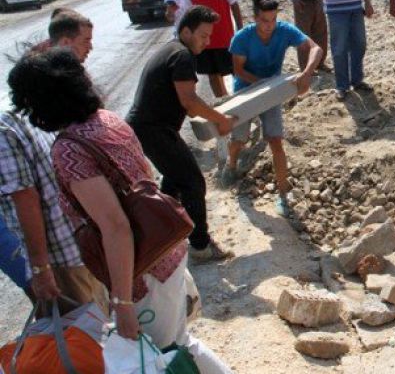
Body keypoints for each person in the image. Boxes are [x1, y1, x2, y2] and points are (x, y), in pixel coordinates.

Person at [9, 48, 232, 373]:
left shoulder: (69, 150)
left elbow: (115, 226)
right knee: (178, 344)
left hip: (144, 272)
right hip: (164, 250)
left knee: (163, 355)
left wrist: (122, 301)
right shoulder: (106, 119)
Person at [126, 6, 236, 263]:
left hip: (148, 128)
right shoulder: (182, 55)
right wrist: (221, 120)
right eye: (203, 36)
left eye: (209, 36)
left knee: (173, 181)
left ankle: (166, 236)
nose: (207, 42)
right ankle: (200, 246)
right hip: (154, 129)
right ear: (186, 31)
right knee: (193, 182)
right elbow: (190, 101)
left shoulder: (172, 49)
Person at [0, 86, 105, 314]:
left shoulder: (2, 131)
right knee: (101, 320)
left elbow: (26, 199)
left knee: (79, 330)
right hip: (81, 241)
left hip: (59, 261)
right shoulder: (16, 106)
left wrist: (40, 268)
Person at [224, 0, 322, 215]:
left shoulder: (284, 30)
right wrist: (262, 84)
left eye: (273, 20)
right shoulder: (241, 38)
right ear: (255, 18)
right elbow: (238, 70)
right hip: (246, 91)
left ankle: (283, 194)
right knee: (239, 139)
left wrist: (307, 73)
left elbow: (315, 49)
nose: (269, 25)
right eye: (264, 20)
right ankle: (231, 164)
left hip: (273, 92)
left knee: (276, 141)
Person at [297, 0, 375, 100]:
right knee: (339, 48)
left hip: (355, 8)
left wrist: (367, 3)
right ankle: (342, 85)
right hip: (336, 10)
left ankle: (357, 80)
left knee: (360, 44)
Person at [180, 0, 243, 98]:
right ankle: (225, 105)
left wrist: (240, 31)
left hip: (227, 39)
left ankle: (245, 103)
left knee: (238, 73)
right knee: (214, 76)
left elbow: (234, 5)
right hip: (204, 43)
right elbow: (187, 16)